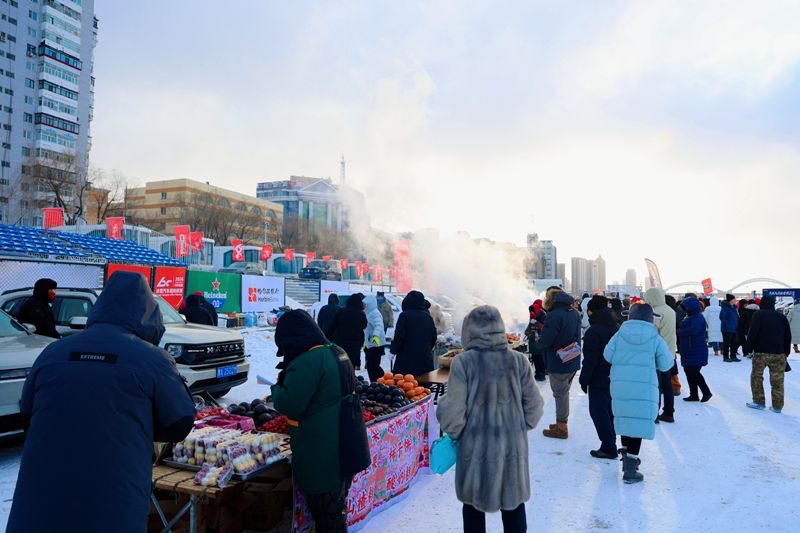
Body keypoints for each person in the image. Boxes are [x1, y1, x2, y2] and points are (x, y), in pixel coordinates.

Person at [7, 272, 195, 532]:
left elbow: (27, 416)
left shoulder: (53, 352)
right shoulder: (152, 359)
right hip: (113, 502)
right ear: (149, 313)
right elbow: (180, 422)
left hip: (39, 502)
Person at [437, 306, 544, 533]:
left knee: (473, 511)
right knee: (514, 508)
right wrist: (516, 427)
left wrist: (459, 431)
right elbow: (535, 406)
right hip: (511, 450)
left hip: (475, 451)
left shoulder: (463, 363)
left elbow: (453, 414)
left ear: (469, 331)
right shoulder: (518, 361)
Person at [271, 310, 369, 532]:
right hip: (347, 441)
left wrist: (276, 388)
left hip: (324, 451)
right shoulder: (337, 351)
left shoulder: (309, 360)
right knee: (335, 508)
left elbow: (289, 404)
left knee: (327, 515)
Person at [603, 303, 675, 484]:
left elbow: (607, 355)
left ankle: (627, 460)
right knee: (638, 423)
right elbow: (666, 364)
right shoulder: (655, 337)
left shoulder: (620, 334)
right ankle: (631, 467)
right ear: (651, 318)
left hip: (621, 385)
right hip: (644, 386)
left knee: (626, 419)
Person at [537, 288, 581, 439]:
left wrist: (539, 341)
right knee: (564, 392)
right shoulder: (574, 312)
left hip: (558, 360)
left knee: (560, 394)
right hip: (572, 357)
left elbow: (547, 340)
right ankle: (560, 422)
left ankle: (561, 427)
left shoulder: (554, 315)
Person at [579, 295, 619, 459]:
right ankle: (611, 441)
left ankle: (608, 446)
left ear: (591, 311)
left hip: (598, 378)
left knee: (598, 411)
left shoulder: (593, 331)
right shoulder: (616, 326)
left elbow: (590, 359)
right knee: (610, 411)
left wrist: (584, 379)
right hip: (614, 376)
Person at [745, 296, 792, 413]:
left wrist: (748, 348)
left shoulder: (758, 315)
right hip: (778, 354)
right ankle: (777, 406)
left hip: (761, 353)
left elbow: (753, 332)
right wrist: (786, 352)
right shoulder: (782, 317)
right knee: (778, 381)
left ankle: (759, 402)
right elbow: (787, 336)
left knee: (757, 377)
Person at [644, 287, 678, 422]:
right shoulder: (670, 310)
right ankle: (669, 412)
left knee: (656, 384)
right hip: (670, 351)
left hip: (658, 353)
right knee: (667, 384)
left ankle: (655, 414)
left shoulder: (656, 313)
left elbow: (651, 333)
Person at [390, 290, 438, 377]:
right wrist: (425, 349)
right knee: (423, 389)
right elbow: (434, 337)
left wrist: (393, 351)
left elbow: (399, 337)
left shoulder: (404, 316)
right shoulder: (427, 317)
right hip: (424, 362)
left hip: (406, 363)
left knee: (405, 387)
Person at [678, 297, 712, 402]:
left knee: (693, 372)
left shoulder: (697, 317)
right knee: (689, 371)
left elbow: (693, 331)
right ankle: (694, 394)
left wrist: (679, 332)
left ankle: (706, 392)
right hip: (690, 349)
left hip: (695, 349)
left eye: (685, 307)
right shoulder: (691, 317)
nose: (684, 310)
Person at [325, 294, 367, 370]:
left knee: (343, 362)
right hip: (355, 344)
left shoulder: (341, 311)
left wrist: (326, 337)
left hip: (341, 344)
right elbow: (364, 326)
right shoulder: (361, 314)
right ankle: (351, 379)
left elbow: (332, 326)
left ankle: (343, 379)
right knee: (351, 364)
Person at [363, 295, 387, 382]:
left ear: (370, 304)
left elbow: (379, 326)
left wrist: (375, 335)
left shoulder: (374, 313)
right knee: (372, 365)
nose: (364, 306)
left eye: (365, 304)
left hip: (376, 343)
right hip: (372, 343)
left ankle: (379, 381)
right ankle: (378, 381)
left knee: (373, 366)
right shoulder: (369, 313)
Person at [525, 299, 547, 381]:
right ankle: (538, 373)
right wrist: (527, 331)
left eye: (532, 312)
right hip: (533, 342)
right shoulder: (532, 316)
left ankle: (541, 374)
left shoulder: (543, 316)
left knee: (540, 358)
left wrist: (536, 323)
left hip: (540, 341)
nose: (531, 314)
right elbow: (529, 327)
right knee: (535, 358)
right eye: (530, 312)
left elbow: (545, 328)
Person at [664, 294, 682, 396]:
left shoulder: (667, 313)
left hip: (668, 341)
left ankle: (675, 385)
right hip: (672, 342)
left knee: (669, 364)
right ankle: (675, 385)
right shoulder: (674, 312)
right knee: (672, 363)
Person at [720, 294, 740, 362]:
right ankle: (726, 357)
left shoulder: (734, 307)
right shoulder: (726, 307)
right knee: (727, 343)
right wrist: (728, 325)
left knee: (734, 343)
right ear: (731, 300)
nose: (735, 300)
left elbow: (735, 317)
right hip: (727, 329)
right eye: (734, 299)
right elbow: (722, 317)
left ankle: (733, 356)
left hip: (734, 328)